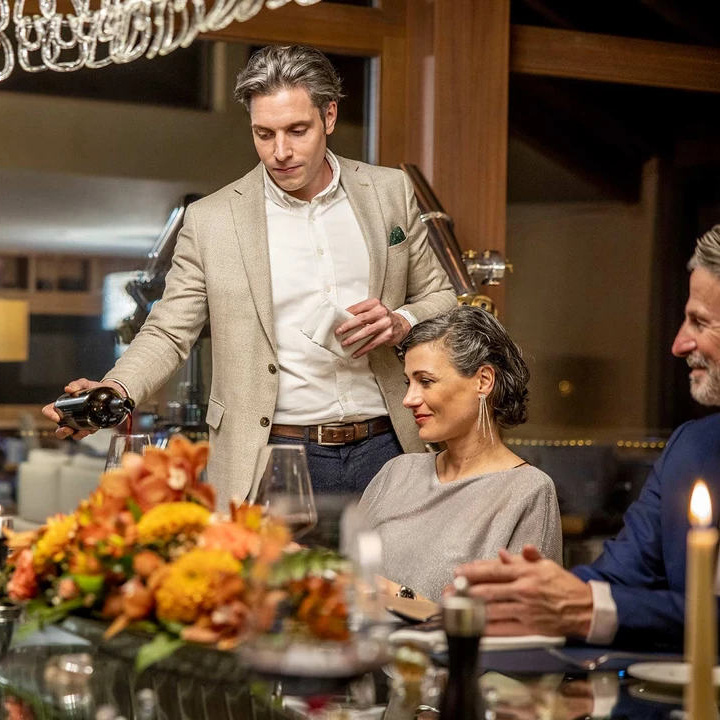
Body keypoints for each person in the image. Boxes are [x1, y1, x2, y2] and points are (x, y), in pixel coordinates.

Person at [43, 46, 455, 504]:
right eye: (264, 134)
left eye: (297, 131)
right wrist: (114, 388)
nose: (280, 152)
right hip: (273, 455)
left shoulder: (389, 192)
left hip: (390, 445)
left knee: (394, 579)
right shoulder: (211, 221)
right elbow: (168, 330)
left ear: (330, 116)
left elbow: (441, 296)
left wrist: (401, 322)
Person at [456, 224, 720, 649]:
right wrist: (518, 598)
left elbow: (600, 604)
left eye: (699, 322)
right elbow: (615, 580)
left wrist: (588, 608)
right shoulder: (691, 448)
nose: (678, 343)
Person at [349, 307, 560, 600]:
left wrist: (398, 596)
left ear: (484, 381)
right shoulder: (396, 472)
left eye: (425, 381)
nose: (408, 399)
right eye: (407, 383)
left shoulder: (527, 491)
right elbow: (346, 585)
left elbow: (522, 623)